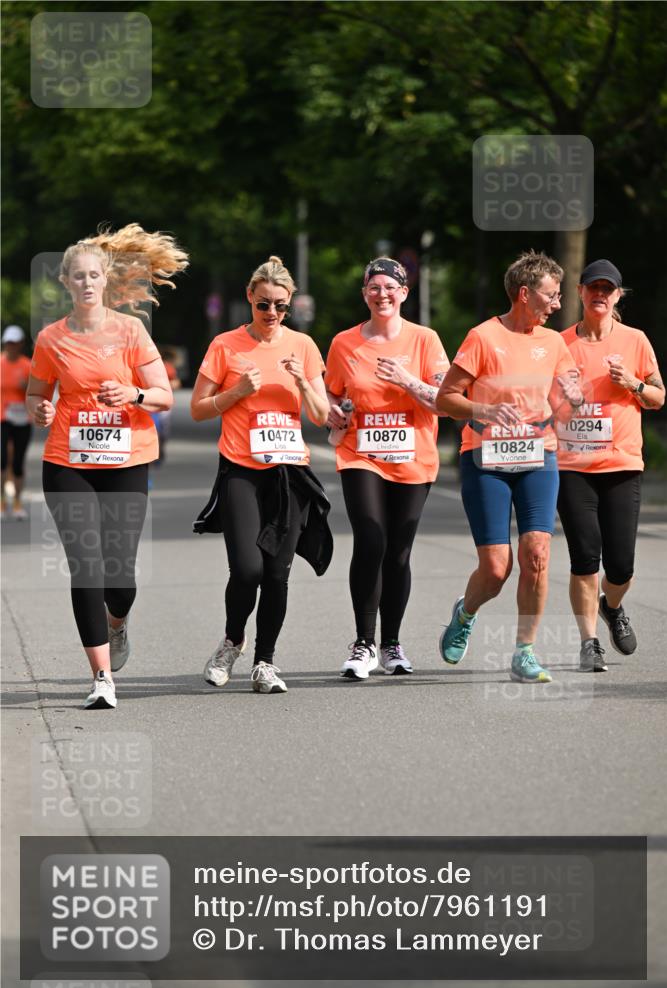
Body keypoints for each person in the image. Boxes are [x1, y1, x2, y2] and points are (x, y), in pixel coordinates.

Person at [26, 224, 188, 709]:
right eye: (79, 276)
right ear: (66, 283)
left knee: (119, 577)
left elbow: (163, 397)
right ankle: (101, 678)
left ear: (105, 279)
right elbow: (36, 394)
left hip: (126, 459)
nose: (88, 283)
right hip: (67, 463)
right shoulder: (51, 339)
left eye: (95, 274)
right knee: (86, 567)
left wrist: (133, 393)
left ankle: (117, 623)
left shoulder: (131, 330)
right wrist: (41, 409)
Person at [436, 251, 584, 683]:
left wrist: (572, 399)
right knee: (497, 568)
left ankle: (525, 651)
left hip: (539, 456)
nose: (556, 304)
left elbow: (564, 410)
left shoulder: (554, 343)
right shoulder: (483, 337)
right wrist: (484, 408)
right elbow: (446, 399)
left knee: (537, 555)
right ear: (524, 293)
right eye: (550, 295)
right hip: (487, 460)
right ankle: (465, 613)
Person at [191, 256, 332, 694]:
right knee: (248, 569)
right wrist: (236, 392)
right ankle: (232, 640)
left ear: (290, 306)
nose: (272, 314)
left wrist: (304, 383)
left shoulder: (304, 346)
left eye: (281, 307)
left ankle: (265, 661)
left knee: (277, 574)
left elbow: (322, 414)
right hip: (240, 470)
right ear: (249, 298)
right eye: (264, 304)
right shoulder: (225, 345)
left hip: (289, 472)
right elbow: (197, 409)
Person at [325, 257, 450, 680]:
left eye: (390, 287)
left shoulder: (425, 340)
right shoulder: (344, 343)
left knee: (398, 550)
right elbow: (328, 397)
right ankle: (363, 644)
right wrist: (333, 412)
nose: (382, 294)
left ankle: (391, 643)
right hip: (361, 455)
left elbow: (445, 402)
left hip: (414, 458)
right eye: (374, 287)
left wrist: (406, 380)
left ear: (404, 294)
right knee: (371, 538)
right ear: (365, 294)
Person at [556, 259, 665, 672]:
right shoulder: (559, 343)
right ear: (580, 293)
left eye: (608, 289)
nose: (599, 294)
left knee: (621, 565)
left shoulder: (636, 341)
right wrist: (564, 397)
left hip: (621, 464)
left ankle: (612, 605)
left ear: (618, 295)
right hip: (572, 466)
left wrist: (632, 384)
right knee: (585, 555)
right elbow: (542, 403)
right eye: (592, 287)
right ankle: (590, 643)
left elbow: (658, 397)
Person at [1, 325, 33, 519]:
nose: (11, 346)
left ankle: (18, 502)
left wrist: (27, 387)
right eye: (8, 343)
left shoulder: (27, 365)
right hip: (2, 418)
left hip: (22, 419)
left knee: (18, 462)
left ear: (20, 344)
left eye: (14, 343)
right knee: (2, 462)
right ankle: (2, 503)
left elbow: (40, 392)